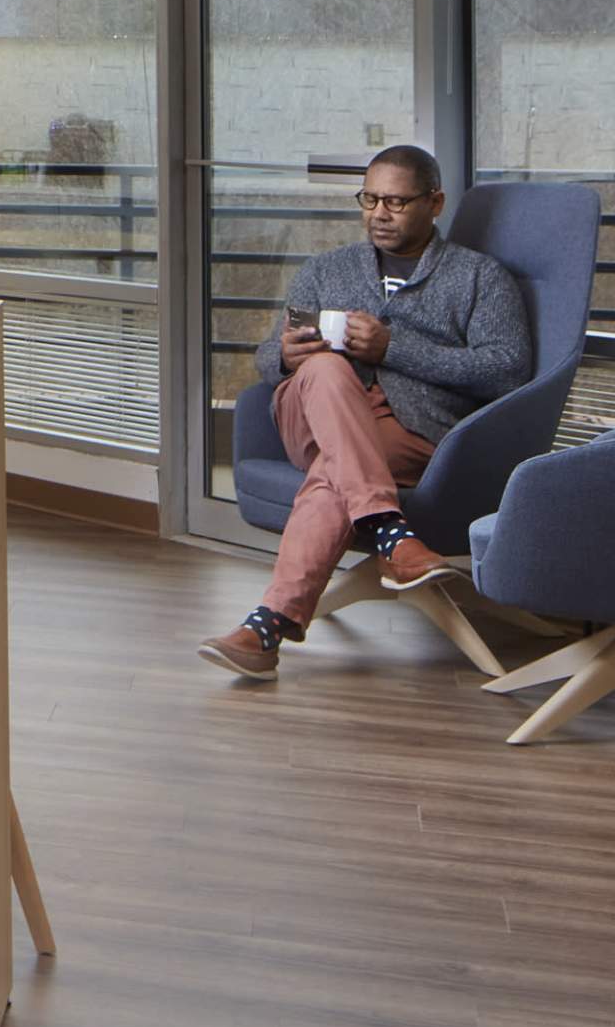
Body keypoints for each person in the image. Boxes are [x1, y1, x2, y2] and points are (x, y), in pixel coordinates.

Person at [202, 144, 532, 679]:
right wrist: (284, 356)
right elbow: (267, 357)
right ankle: (390, 532)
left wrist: (393, 348)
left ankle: (266, 628)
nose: (379, 213)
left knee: (336, 477)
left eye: (396, 202)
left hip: (410, 428)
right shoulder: (325, 270)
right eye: (370, 199)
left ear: (435, 202)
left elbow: (508, 369)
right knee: (328, 370)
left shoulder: (479, 279)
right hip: (313, 414)